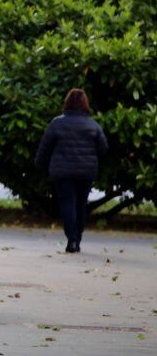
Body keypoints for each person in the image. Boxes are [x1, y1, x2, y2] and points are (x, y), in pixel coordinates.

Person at [35, 89, 108, 254]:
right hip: (86, 171)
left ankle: (72, 239)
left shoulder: (57, 123)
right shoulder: (93, 125)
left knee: (68, 203)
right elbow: (103, 148)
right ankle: (78, 238)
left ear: (67, 103)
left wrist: (40, 165)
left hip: (63, 171)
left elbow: (45, 147)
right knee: (81, 204)